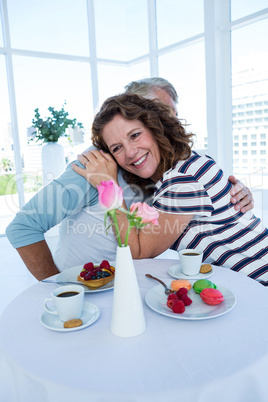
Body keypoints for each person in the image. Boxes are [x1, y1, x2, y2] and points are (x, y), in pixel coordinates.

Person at [5, 78, 253, 281]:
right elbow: (23, 227)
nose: (167, 123)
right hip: (80, 285)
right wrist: (57, 287)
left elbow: (199, 192)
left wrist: (234, 195)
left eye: (171, 114)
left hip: (126, 286)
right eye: (156, 112)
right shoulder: (93, 169)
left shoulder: (169, 172)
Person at [73, 93, 268, 285]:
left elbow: (138, 252)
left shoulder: (182, 179)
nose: (130, 152)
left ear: (154, 128)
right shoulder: (183, 166)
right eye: (117, 148)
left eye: (135, 135)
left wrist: (108, 185)